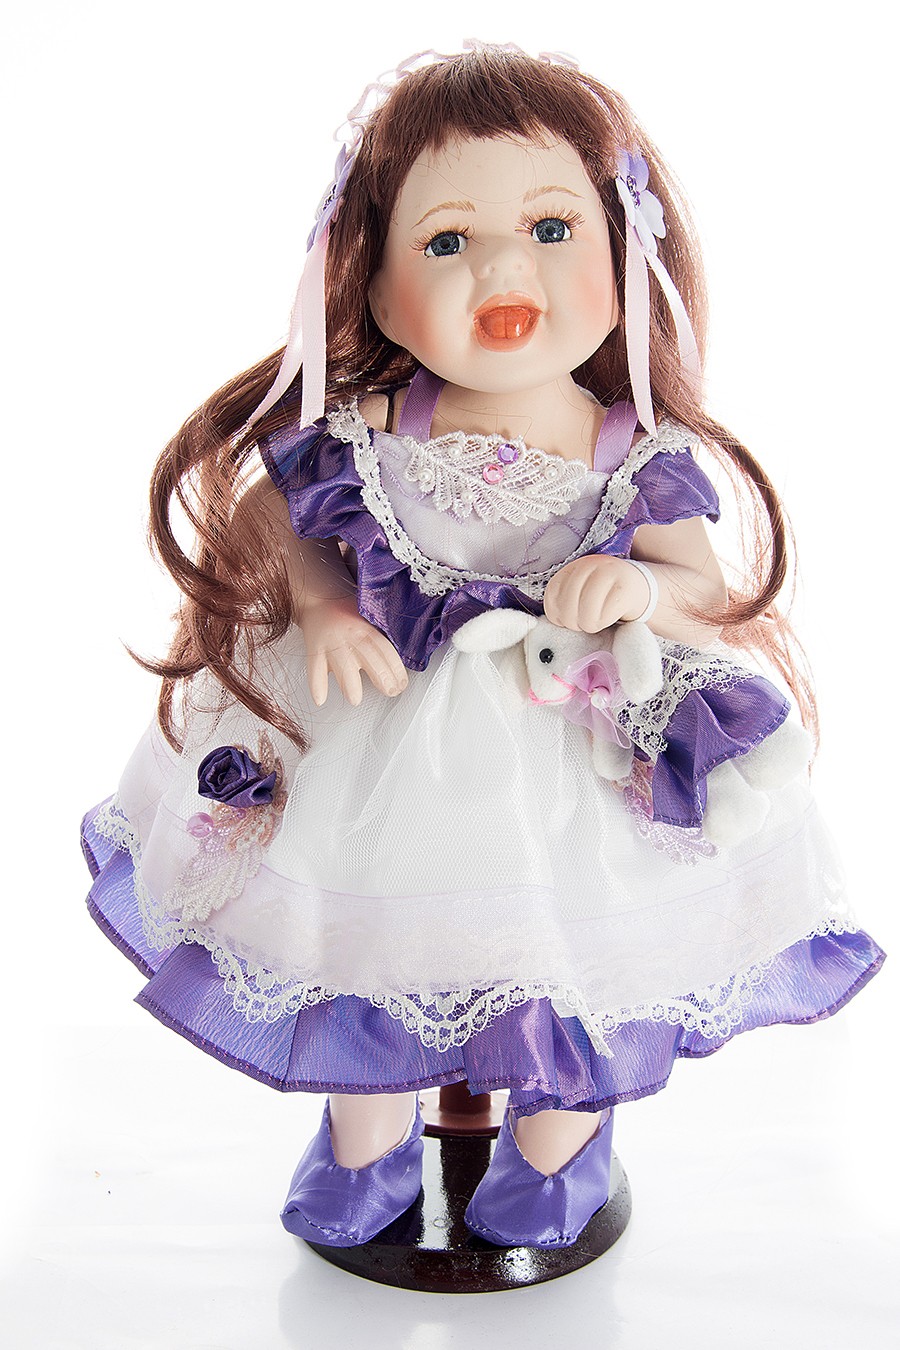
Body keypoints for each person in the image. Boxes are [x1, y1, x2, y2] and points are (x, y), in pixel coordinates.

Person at [81, 44, 884, 1251]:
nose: (506, 270)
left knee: (576, 954)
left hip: (572, 749)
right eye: (447, 241)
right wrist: (324, 609)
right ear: (372, 282)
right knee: (360, 939)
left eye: (553, 229)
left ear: (627, 256)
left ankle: (559, 1148)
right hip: (384, 744)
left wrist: (638, 584)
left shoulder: (629, 452)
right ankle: (365, 1137)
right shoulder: (372, 426)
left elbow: (702, 590)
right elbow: (279, 524)